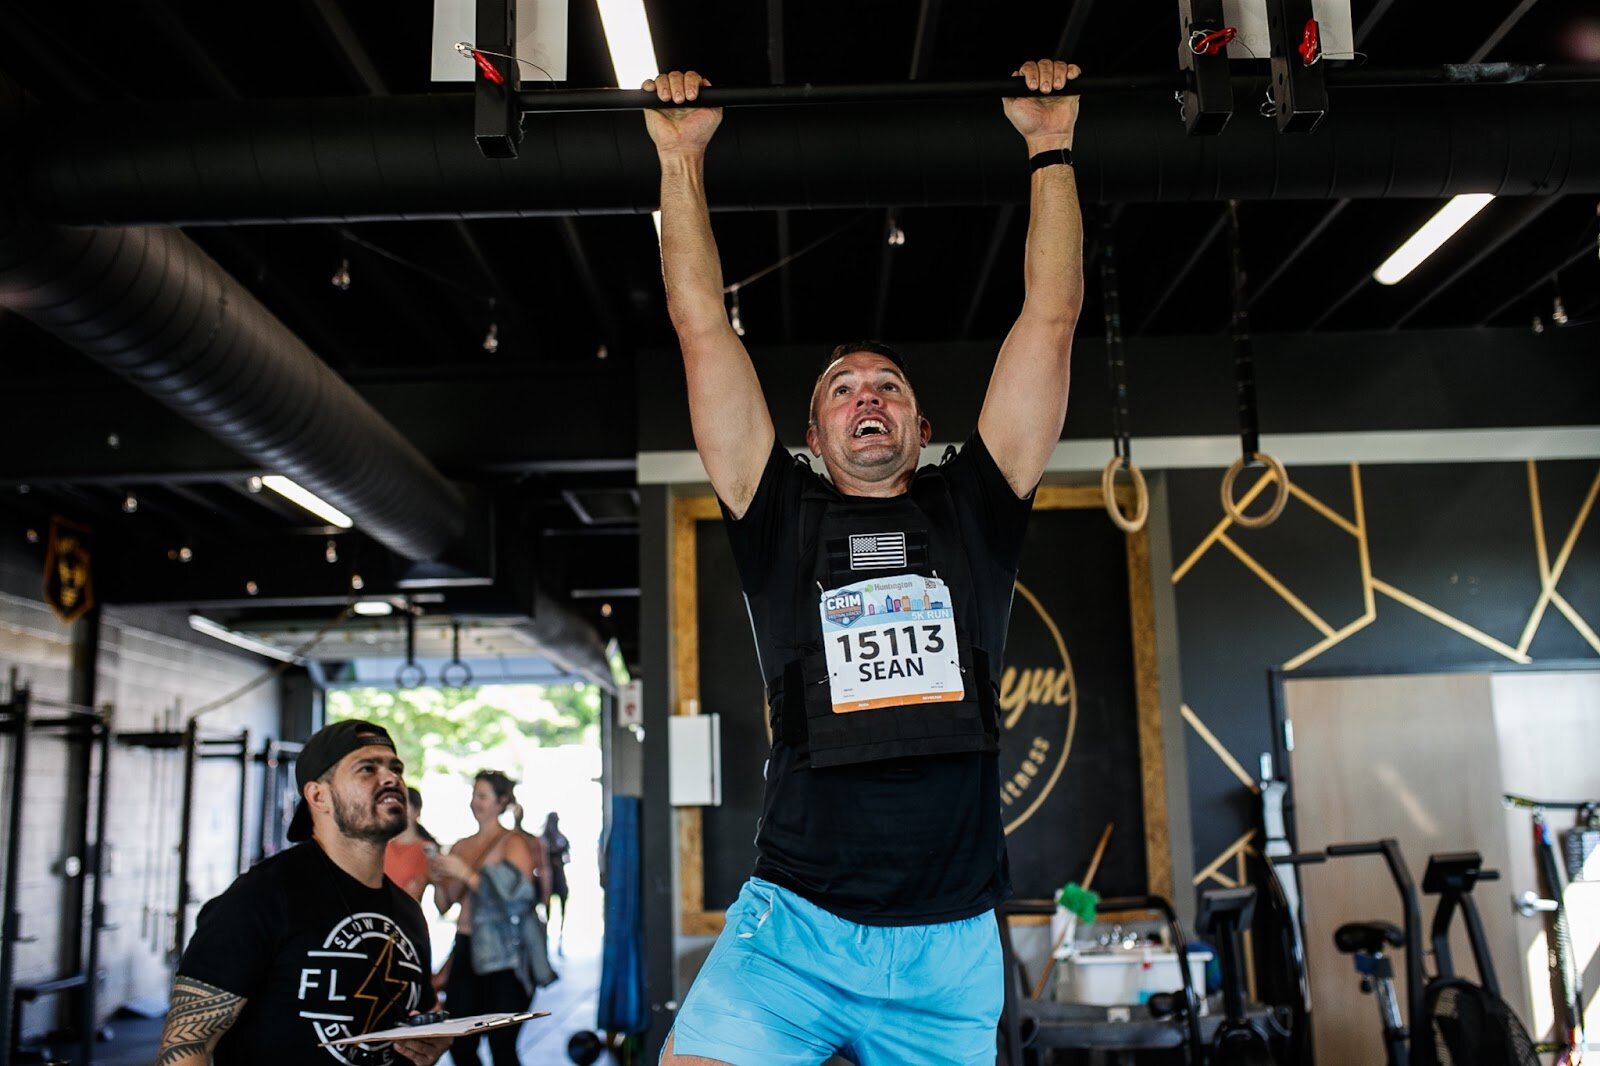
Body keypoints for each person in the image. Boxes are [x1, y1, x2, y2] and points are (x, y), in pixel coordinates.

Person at [644, 57, 1083, 1065]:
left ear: (923, 427)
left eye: (886, 383)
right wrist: (679, 160)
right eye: (844, 388)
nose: (867, 394)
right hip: (790, 926)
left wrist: (1049, 145)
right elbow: (702, 327)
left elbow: (1049, 322)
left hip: (949, 944)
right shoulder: (776, 509)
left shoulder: (973, 507)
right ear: (811, 430)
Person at [156, 719, 452, 1065]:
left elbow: (420, 1017)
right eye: (367, 768)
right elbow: (186, 1044)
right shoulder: (264, 895)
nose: (391, 778)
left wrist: (428, 1044)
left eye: (395, 768)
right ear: (318, 796)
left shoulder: (407, 913)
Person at [428, 770, 556, 1066]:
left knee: (502, 1043)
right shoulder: (461, 845)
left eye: (483, 796)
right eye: (474, 795)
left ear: (501, 802)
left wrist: (468, 874)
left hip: (505, 953)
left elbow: (518, 899)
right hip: (466, 946)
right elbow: (444, 905)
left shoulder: (514, 843)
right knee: (460, 1043)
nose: (475, 802)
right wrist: (437, 879)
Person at [384, 787, 437, 902]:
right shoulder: (382, 845)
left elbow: (416, 888)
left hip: (405, 913)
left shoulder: (426, 849)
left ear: (417, 812)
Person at [540, 811, 572, 955]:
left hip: (558, 877)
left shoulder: (560, 838)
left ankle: (558, 940)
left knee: (560, 910)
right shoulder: (544, 839)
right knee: (548, 912)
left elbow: (568, 857)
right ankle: (546, 941)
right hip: (550, 879)